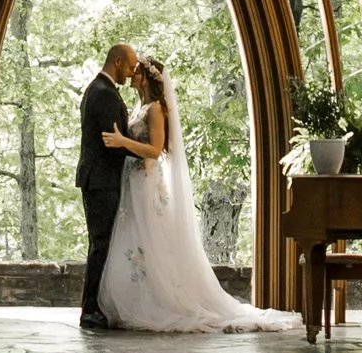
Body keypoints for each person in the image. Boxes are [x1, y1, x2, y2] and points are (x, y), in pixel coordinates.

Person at [97, 55, 295, 334]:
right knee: (137, 242)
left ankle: (165, 300)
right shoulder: (141, 106)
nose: (132, 75)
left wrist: (121, 142)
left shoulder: (155, 109)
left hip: (147, 182)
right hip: (133, 182)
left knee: (153, 240)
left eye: (137, 72)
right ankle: (141, 296)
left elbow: (154, 150)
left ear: (148, 79)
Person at [76, 43, 138, 328]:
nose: (132, 71)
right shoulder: (104, 94)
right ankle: (90, 309)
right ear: (117, 61)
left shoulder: (97, 89)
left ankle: (96, 305)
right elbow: (113, 143)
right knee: (100, 244)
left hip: (98, 179)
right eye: (130, 66)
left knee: (100, 243)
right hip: (101, 181)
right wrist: (147, 150)